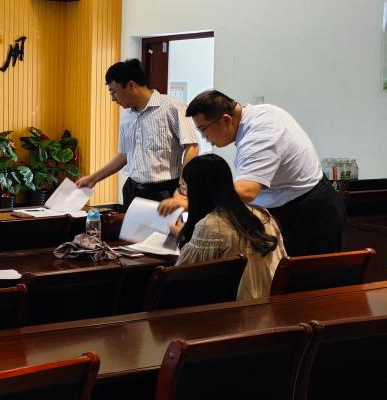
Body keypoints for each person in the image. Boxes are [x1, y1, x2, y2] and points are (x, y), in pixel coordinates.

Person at [179, 90, 345, 256]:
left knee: (299, 271)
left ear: (226, 120)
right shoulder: (262, 112)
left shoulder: (259, 135)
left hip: (309, 214)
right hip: (293, 205)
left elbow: (247, 191)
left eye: (203, 129)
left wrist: (197, 198)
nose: (204, 137)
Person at [76, 58, 198, 208]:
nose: (112, 99)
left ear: (131, 85)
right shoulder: (127, 117)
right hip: (132, 190)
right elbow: (125, 155)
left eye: (114, 92)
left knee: (167, 225)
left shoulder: (172, 107)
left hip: (164, 191)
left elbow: (192, 147)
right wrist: (93, 178)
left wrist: (183, 185)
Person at [170, 154, 286, 300]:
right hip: (272, 300)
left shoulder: (211, 225)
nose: (184, 193)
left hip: (237, 307)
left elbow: (181, 276)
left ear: (196, 190)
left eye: (185, 187)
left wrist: (183, 237)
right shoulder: (262, 214)